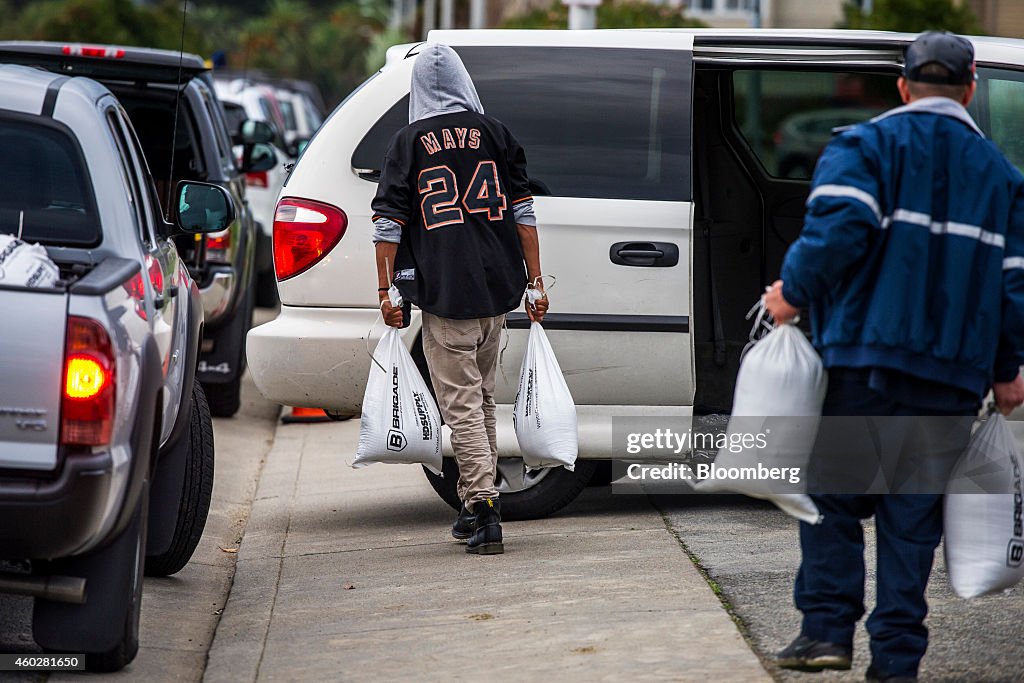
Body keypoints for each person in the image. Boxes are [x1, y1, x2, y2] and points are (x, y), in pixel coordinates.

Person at [764, 31, 1024, 682]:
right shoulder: (1002, 177)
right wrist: (1007, 369)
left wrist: (790, 295)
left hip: (863, 364)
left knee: (830, 497)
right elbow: (1013, 286)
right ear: (969, 89)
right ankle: (896, 664)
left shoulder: (865, 145)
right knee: (912, 526)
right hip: (950, 379)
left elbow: (837, 233)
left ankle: (826, 630)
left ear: (904, 86)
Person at [370, 44, 547, 556]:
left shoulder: (408, 142)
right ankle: (474, 503)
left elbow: (387, 224)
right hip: (497, 293)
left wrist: (386, 290)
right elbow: (525, 215)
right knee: (482, 399)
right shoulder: (496, 133)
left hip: (446, 294)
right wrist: (535, 283)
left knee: (463, 406)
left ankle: (486, 509)